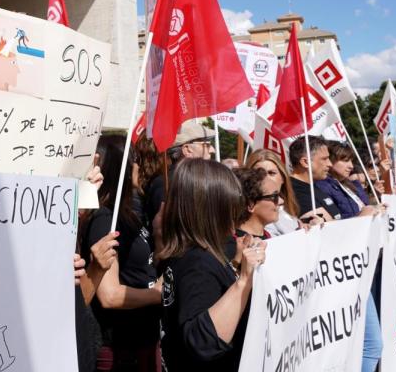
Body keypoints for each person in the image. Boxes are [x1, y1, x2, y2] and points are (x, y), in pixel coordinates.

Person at [158, 159, 265, 372]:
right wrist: (243, 281)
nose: (238, 211)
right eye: (233, 202)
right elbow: (203, 342)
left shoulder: (188, 253)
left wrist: (236, 264)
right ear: (215, 208)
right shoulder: (197, 263)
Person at [82, 137, 161, 372]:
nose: (139, 166)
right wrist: (156, 294)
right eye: (133, 159)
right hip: (120, 350)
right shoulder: (104, 218)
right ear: (121, 168)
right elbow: (110, 295)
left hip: (140, 344)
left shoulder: (128, 214)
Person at [142, 119, 215, 233]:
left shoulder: (203, 179)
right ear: (187, 149)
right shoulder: (167, 183)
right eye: (206, 145)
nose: (212, 150)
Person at [243, 150, 303, 236]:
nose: (266, 179)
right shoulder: (256, 217)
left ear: (282, 177)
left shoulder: (288, 207)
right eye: (258, 174)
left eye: (271, 173)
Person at [288, 136, 341, 220]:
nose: (330, 164)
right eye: (324, 159)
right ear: (305, 162)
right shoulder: (294, 191)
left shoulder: (312, 184)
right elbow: (327, 228)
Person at [234, 167, 280, 240]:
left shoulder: (269, 236)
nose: (281, 201)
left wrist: (301, 233)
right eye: (275, 197)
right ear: (251, 205)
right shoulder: (233, 247)